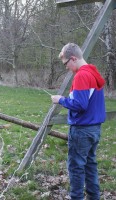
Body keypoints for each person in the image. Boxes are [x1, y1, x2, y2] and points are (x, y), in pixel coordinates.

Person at [51, 43, 105, 200]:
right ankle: (94, 197)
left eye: (66, 63)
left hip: (82, 129)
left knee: (76, 167)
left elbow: (80, 105)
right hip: (94, 129)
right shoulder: (93, 73)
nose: (66, 67)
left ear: (73, 58)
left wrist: (60, 99)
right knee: (90, 165)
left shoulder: (82, 75)